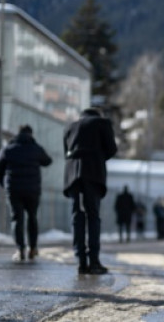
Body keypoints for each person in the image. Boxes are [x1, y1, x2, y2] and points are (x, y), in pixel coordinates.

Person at [63, 107, 118, 275]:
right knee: (92, 216)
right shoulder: (102, 123)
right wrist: (98, 156)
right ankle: (94, 261)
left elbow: (66, 151)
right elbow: (111, 149)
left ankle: (81, 261)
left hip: (72, 175)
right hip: (93, 173)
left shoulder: (70, 126)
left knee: (77, 215)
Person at [0, 124, 53, 262]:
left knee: (17, 219)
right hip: (33, 190)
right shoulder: (36, 148)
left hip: (14, 190)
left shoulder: (9, 148)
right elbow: (48, 161)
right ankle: (33, 248)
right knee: (32, 217)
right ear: (31, 134)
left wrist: (4, 184)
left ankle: (20, 249)